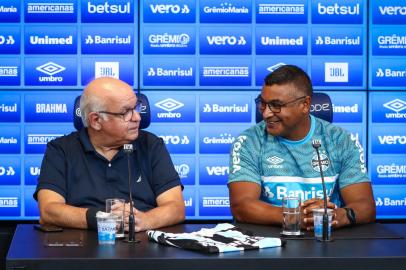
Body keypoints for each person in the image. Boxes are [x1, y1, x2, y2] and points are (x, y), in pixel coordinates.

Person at [228, 65, 375, 230]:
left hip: (327, 241)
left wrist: (340, 216)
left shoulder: (341, 140)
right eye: (262, 103)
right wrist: (296, 215)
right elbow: (241, 206)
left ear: (305, 105)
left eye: (276, 105)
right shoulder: (249, 141)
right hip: (268, 242)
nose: (266, 113)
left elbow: (366, 206)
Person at [34, 77, 185, 231]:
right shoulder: (61, 150)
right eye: (126, 112)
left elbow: (176, 208)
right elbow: (49, 210)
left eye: (136, 107)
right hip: (83, 247)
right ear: (96, 120)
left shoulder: (151, 145)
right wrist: (103, 218)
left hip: (142, 245)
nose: (137, 117)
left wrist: (144, 220)